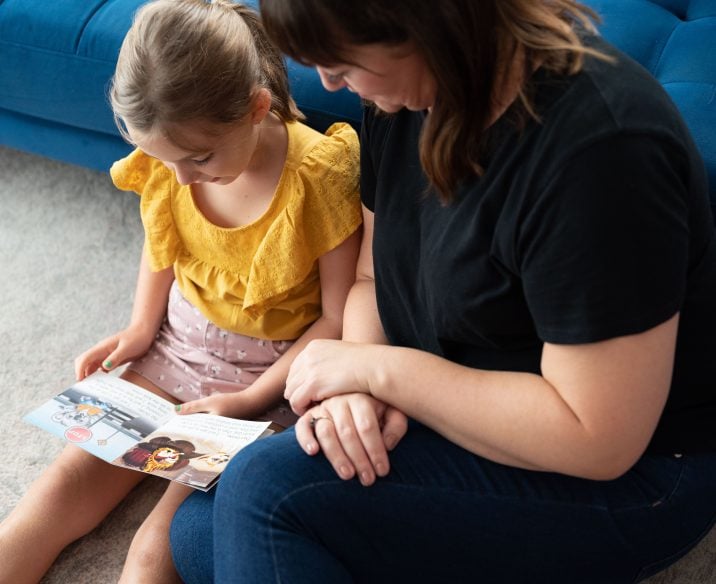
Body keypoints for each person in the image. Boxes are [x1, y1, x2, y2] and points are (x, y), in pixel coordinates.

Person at [170, 0, 716, 582]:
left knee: (265, 497)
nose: (327, 82)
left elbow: (597, 439)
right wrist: (351, 390)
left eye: (341, 62)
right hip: (461, 398)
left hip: (630, 471)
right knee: (202, 533)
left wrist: (379, 373)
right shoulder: (405, 96)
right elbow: (370, 278)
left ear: (425, 25)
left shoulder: (603, 154)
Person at [0, 0, 361, 582]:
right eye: (167, 162)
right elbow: (162, 240)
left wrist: (247, 402)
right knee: (65, 484)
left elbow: (337, 322)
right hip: (175, 347)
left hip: (268, 384)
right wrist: (141, 327)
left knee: (155, 548)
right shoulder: (171, 161)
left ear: (256, 108)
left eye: (198, 158)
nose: (183, 178)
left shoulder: (319, 176)